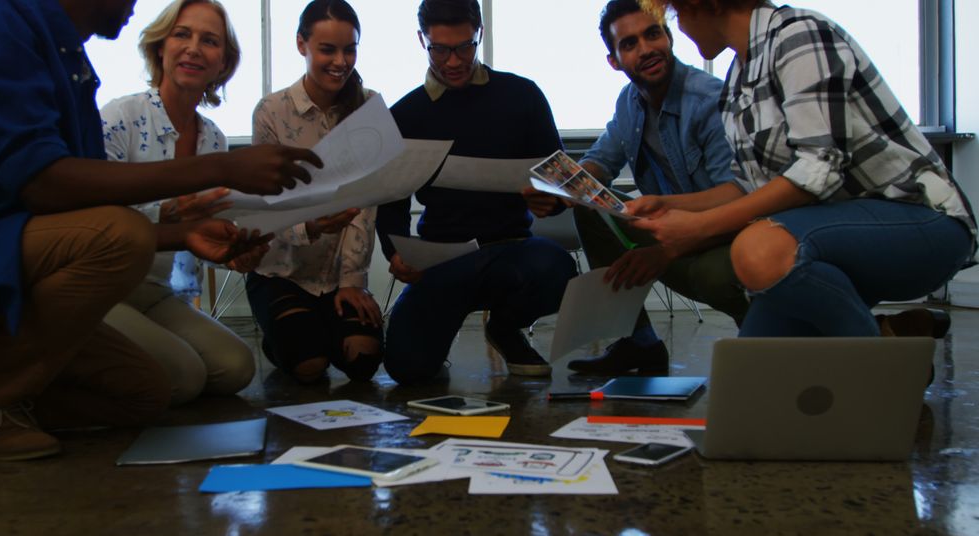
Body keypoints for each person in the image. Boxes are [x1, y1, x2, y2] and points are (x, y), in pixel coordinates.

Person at [0, 0, 320, 461]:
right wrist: (219, 169)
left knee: (146, 394)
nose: (136, 3)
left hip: (30, 260)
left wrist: (187, 235)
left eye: (210, 41)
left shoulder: (66, 59)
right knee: (124, 243)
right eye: (182, 35)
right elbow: (48, 187)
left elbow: (80, 212)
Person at [631, 0, 975, 338]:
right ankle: (882, 342)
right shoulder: (738, 78)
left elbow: (818, 167)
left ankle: (881, 372)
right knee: (754, 374)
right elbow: (748, 186)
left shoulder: (798, 35)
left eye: (674, 15)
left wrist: (701, 227)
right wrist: (672, 205)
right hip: (835, 235)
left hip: (921, 222)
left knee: (759, 250)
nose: (680, 27)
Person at [525, 0, 748, 376]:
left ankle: (769, 335)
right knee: (591, 210)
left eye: (652, 34)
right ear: (614, 60)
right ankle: (638, 344)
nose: (645, 49)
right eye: (629, 44)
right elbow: (600, 161)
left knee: (715, 275)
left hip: (727, 238)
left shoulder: (710, 101)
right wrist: (559, 188)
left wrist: (663, 252)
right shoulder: (630, 102)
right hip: (668, 234)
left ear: (669, 37)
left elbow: (739, 201)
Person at [376, 0, 577, 383]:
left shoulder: (522, 96)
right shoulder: (405, 115)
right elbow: (391, 203)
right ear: (422, 40)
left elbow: (559, 182)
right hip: (442, 258)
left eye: (465, 46)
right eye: (440, 49)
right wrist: (396, 252)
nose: (453, 61)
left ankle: (504, 327)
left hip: (512, 250)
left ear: (479, 33)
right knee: (407, 369)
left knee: (557, 270)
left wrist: (548, 200)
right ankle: (438, 331)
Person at [100, 0, 256, 405]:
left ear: (223, 63)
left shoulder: (215, 141)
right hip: (101, 286)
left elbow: (200, 240)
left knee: (237, 366)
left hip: (155, 290)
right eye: (182, 34)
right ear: (160, 48)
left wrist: (235, 252)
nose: (193, 48)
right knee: (185, 376)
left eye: (209, 41)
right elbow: (92, 221)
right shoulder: (121, 117)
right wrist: (168, 215)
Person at [246, 0, 384, 384]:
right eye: (328, 49)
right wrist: (311, 226)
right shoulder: (271, 111)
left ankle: (314, 330)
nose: (341, 61)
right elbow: (269, 204)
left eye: (350, 49)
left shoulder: (369, 106)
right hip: (282, 271)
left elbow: (367, 203)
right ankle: (284, 340)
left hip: (337, 273)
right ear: (301, 45)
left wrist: (352, 282)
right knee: (310, 365)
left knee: (362, 362)